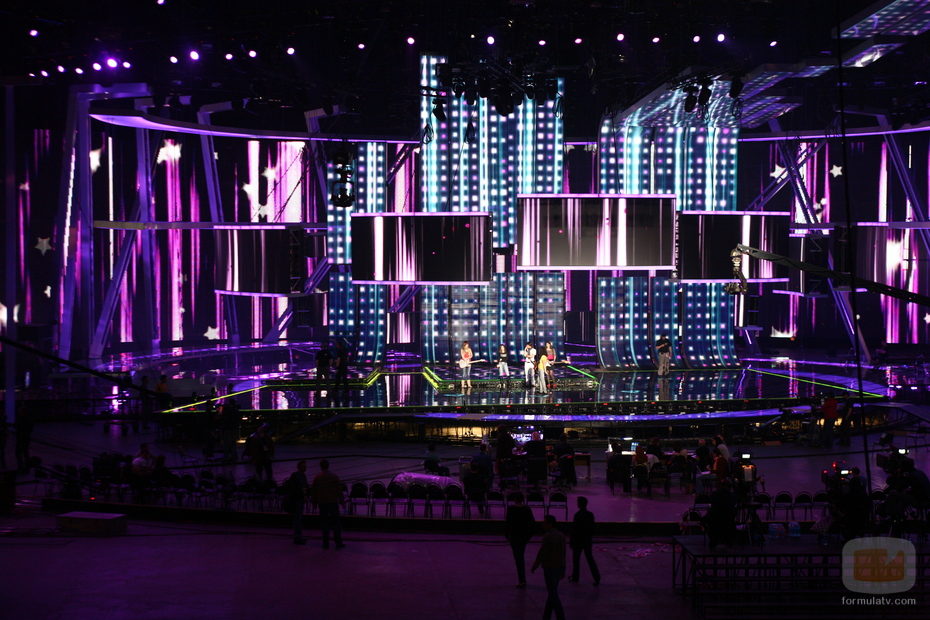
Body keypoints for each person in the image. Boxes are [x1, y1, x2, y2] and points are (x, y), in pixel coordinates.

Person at [532, 515, 567, 620]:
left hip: (549, 567)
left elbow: (542, 553)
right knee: (552, 591)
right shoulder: (561, 536)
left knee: (552, 593)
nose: (543, 525)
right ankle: (546, 616)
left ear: (549, 524)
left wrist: (535, 565)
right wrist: (563, 568)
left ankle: (560, 616)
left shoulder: (547, 536)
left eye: (545, 523)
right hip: (558, 566)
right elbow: (563, 553)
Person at [310, 459, 345, 549]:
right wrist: (342, 501)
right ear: (328, 466)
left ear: (321, 466)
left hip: (322, 503)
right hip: (333, 502)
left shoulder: (317, 477)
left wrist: (314, 502)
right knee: (336, 523)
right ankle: (338, 542)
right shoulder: (334, 476)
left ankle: (325, 543)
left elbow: (314, 491)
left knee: (324, 523)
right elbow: (339, 490)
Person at [505, 492, 535, 588]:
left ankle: (522, 579)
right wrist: (529, 536)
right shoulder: (527, 509)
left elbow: (508, 523)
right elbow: (531, 523)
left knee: (518, 558)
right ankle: (522, 579)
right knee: (520, 557)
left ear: (515, 499)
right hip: (523, 536)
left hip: (514, 536)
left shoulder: (511, 509)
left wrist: (507, 535)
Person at [569, 497, 601, 585]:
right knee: (590, 559)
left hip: (578, 540)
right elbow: (592, 528)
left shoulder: (577, 515)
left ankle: (575, 577)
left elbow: (574, 529)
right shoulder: (590, 515)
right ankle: (596, 577)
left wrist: (572, 540)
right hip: (587, 540)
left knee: (576, 560)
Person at [284, 460, 310, 544]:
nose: (305, 467)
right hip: (297, 500)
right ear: (299, 467)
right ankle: (297, 537)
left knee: (298, 518)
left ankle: (298, 536)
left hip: (301, 499)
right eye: (303, 466)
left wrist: (305, 495)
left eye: (305, 466)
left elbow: (305, 487)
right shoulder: (296, 475)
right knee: (297, 519)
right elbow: (295, 488)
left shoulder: (303, 475)